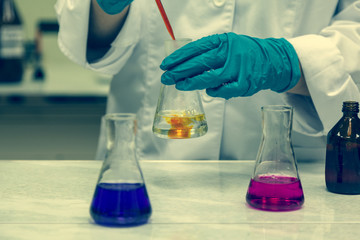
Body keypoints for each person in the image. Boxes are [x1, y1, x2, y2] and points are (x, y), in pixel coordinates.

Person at [55, 0, 360, 161]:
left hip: (284, 168)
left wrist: (292, 61)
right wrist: (103, 5)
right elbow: (85, 30)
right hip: (151, 163)